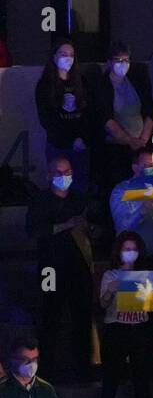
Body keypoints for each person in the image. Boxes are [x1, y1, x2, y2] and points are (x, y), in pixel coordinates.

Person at [26, 157, 94, 375]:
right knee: (49, 317)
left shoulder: (79, 198)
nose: (64, 176)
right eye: (58, 172)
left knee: (82, 318)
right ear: (49, 175)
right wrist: (66, 225)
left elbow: (94, 228)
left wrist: (86, 226)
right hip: (50, 268)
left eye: (68, 171)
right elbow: (34, 230)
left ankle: (83, 367)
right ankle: (46, 370)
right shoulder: (40, 200)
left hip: (79, 267)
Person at [98, 231, 153, 398]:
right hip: (116, 330)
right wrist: (110, 291)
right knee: (111, 381)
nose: (130, 253)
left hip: (139, 330)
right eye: (126, 249)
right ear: (119, 251)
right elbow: (103, 304)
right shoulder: (110, 275)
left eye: (134, 249)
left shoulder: (146, 275)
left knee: (141, 381)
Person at [91, 41, 153, 196]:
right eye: (119, 60)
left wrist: (143, 140)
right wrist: (129, 140)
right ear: (109, 62)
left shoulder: (137, 80)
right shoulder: (101, 86)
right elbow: (105, 119)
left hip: (142, 145)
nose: (123, 64)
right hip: (115, 149)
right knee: (117, 190)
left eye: (126, 60)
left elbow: (150, 111)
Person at [34, 38, 90, 193]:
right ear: (54, 56)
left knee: (80, 186)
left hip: (80, 146)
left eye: (71, 54)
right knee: (59, 188)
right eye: (63, 53)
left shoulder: (82, 82)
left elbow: (88, 114)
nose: (68, 58)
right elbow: (46, 119)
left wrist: (82, 137)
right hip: (58, 145)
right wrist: (70, 139)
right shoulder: (45, 85)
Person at [110, 147, 153, 258]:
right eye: (148, 166)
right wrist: (141, 212)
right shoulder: (121, 190)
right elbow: (121, 227)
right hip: (135, 257)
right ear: (135, 167)